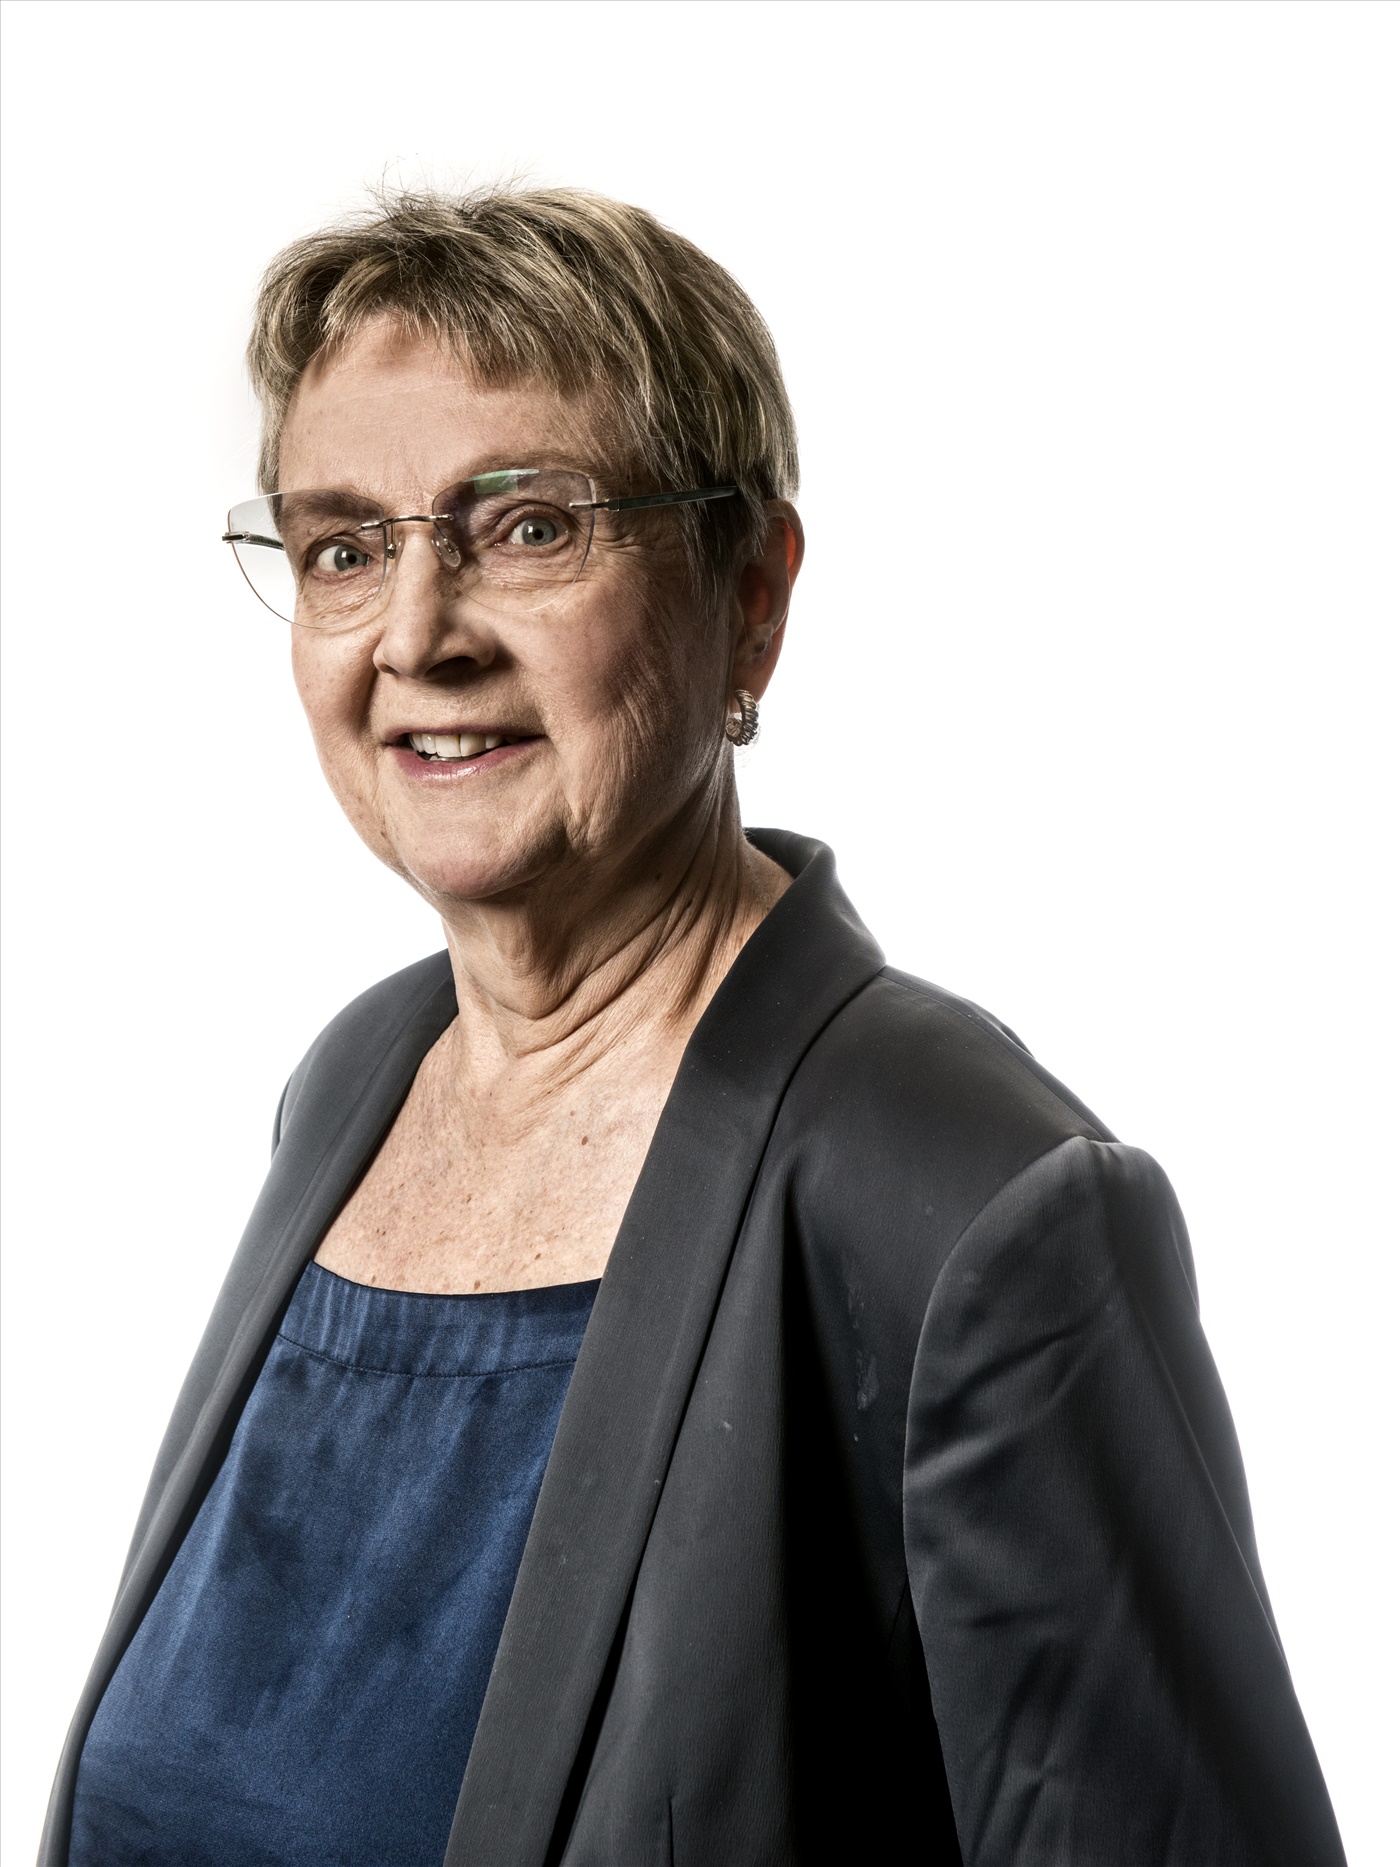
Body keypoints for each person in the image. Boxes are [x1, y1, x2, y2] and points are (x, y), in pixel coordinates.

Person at [42, 187, 1344, 1867]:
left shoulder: (973, 1201)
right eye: (345, 548)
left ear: (752, 600)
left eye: (528, 528)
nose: (419, 636)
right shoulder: (357, 1083)